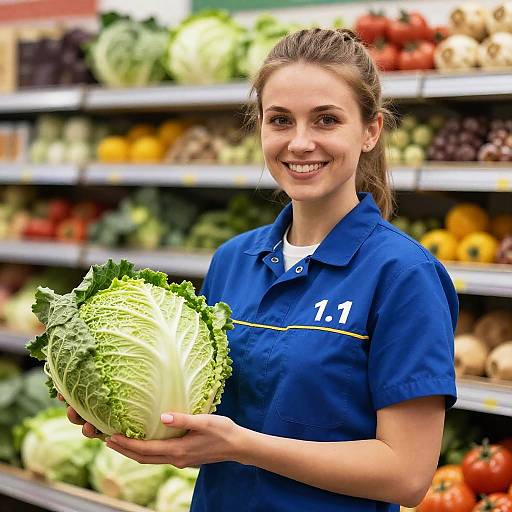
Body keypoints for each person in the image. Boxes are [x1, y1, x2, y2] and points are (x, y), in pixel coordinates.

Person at [63, 28, 458, 511]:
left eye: (327, 120)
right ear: (260, 127)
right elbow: (198, 403)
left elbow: (407, 475)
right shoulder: (233, 260)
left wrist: (242, 446)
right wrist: (116, 404)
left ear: (371, 130)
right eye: (280, 120)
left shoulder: (403, 274)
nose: (300, 142)